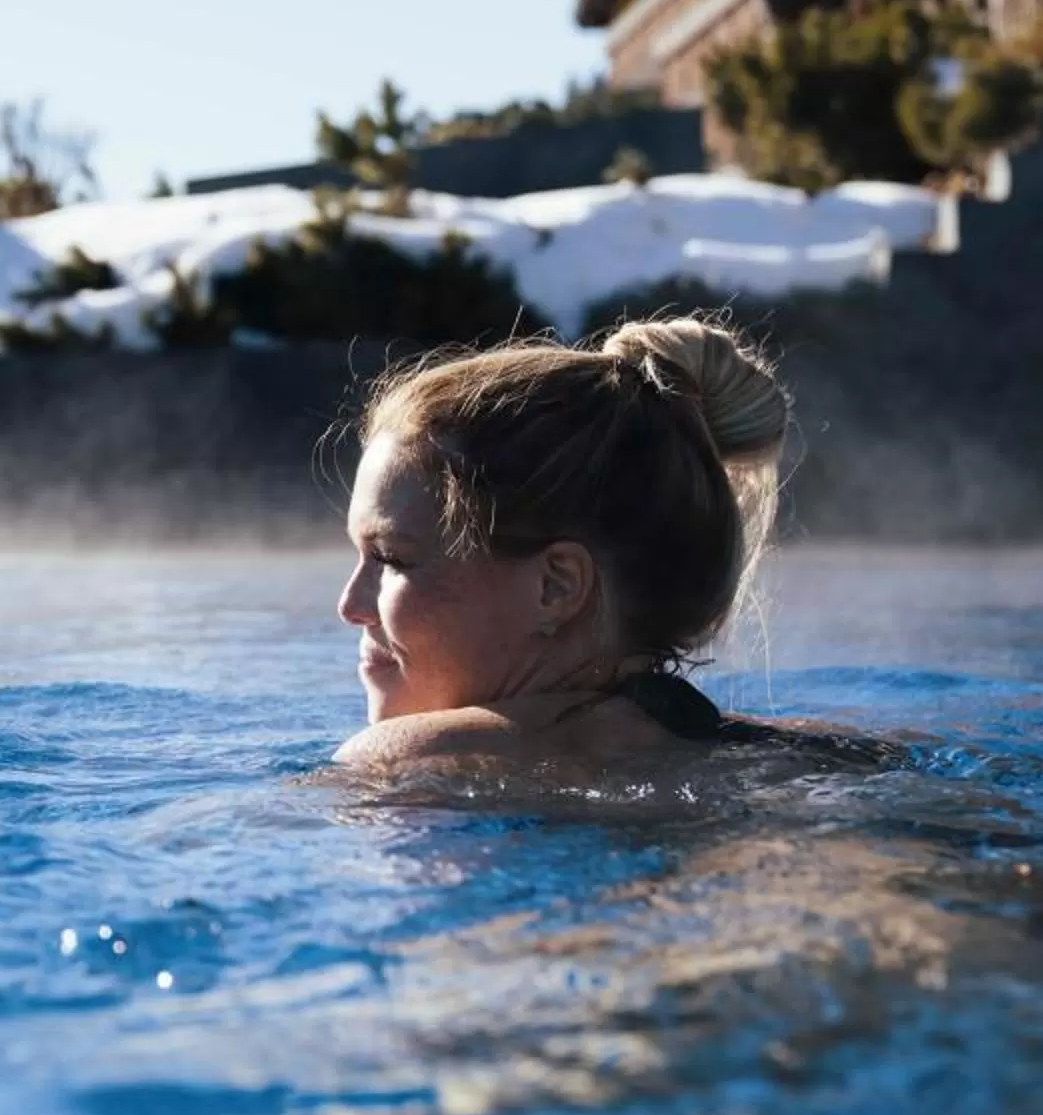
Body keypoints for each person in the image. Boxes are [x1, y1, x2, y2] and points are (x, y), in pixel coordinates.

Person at [334, 317, 881, 775]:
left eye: (392, 559)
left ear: (556, 586)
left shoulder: (411, 760)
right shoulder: (798, 750)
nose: (350, 605)